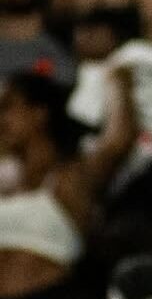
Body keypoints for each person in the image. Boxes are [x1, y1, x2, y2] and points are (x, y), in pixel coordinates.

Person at [0, 71, 136, 298]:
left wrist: (115, 77)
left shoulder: (71, 176)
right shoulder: (3, 177)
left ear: (39, 113)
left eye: (6, 107)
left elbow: (119, 140)